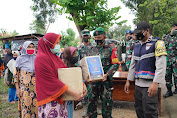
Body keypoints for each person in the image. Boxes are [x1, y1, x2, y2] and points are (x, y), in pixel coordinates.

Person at [35, 33, 87, 118]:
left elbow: (66, 73)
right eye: (57, 43)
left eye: (59, 43)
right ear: (49, 43)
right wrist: (73, 92)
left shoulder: (54, 58)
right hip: (50, 101)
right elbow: (52, 81)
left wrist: (81, 84)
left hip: (60, 99)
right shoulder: (41, 59)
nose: (58, 46)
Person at [124, 21, 167, 118]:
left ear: (147, 31)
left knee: (150, 112)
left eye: (140, 32)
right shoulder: (137, 45)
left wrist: (156, 83)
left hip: (150, 85)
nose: (138, 35)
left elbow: (161, 65)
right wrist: (128, 80)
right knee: (139, 110)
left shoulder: (157, 44)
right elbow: (132, 64)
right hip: (138, 85)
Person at [87, 27, 119, 118]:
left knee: (107, 106)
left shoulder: (111, 48)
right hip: (93, 82)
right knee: (91, 105)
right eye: (95, 38)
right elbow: (87, 63)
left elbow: (116, 64)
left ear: (104, 37)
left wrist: (107, 74)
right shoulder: (91, 49)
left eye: (99, 38)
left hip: (106, 81)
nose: (97, 40)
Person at [77, 29, 99, 117]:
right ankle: (86, 108)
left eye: (87, 35)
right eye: (84, 36)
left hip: (93, 71)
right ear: (81, 37)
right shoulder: (79, 48)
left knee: (93, 92)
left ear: (90, 36)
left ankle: (94, 108)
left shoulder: (94, 47)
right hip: (83, 73)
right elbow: (77, 60)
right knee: (85, 91)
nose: (86, 37)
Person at [14, 41, 37, 118]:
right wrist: (17, 89)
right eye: (29, 47)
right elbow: (15, 75)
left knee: (36, 108)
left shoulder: (36, 58)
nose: (31, 49)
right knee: (26, 108)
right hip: (24, 89)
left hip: (36, 89)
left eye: (32, 47)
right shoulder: (19, 59)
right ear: (24, 48)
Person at [62, 46, 79, 118]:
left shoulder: (75, 65)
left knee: (70, 110)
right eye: (74, 54)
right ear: (69, 55)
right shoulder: (62, 65)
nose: (76, 56)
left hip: (71, 95)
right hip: (64, 94)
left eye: (76, 54)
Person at [163, 23, 177, 98]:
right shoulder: (166, 37)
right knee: (167, 76)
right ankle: (169, 91)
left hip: (175, 60)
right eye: (175, 29)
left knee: (176, 75)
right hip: (167, 60)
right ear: (171, 29)